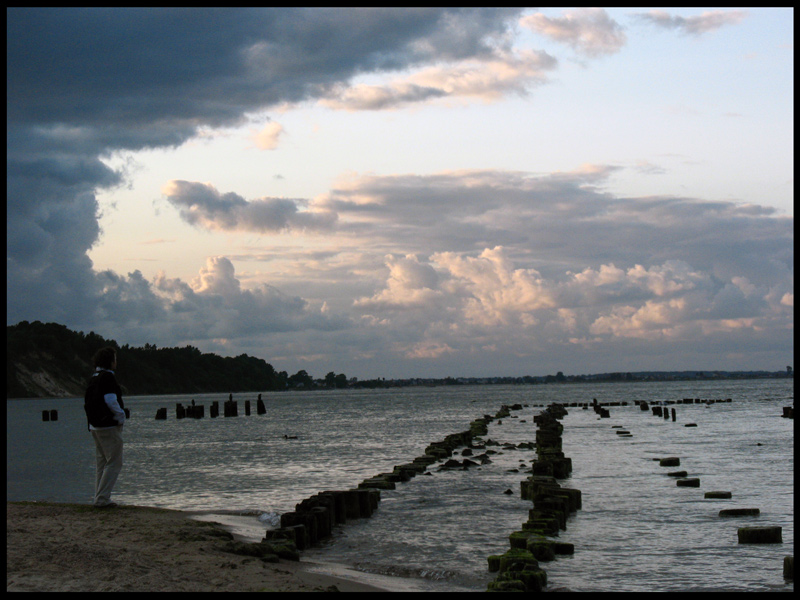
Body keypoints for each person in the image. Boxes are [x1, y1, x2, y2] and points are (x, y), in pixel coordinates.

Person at [83, 346, 126, 508]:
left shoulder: (94, 377)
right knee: (115, 462)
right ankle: (102, 499)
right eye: (115, 359)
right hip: (108, 425)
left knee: (102, 463)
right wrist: (121, 416)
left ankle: (99, 496)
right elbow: (110, 400)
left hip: (95, 426)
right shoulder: (108, 377)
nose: (116, 362)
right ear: (110, 361)